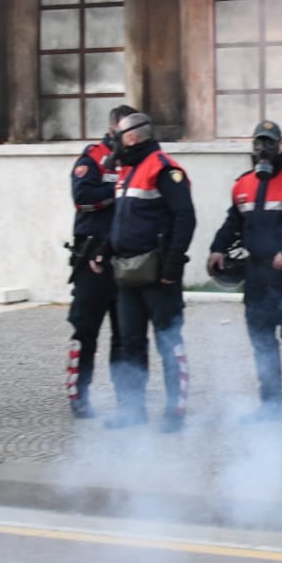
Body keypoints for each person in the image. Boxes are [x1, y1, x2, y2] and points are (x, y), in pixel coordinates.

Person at [209, 119, 282, 420]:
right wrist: (217, 248)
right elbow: (232, 222)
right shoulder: (243, 183)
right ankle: (271, 405)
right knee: (262, 342)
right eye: (258, 143)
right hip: (257, 276)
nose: (263, 149)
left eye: (269, 143)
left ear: (281, 146)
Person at [92, 112, 196, 432]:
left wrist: (172, 265)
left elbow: (185, 218)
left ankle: (175, 411)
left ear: (133, 137)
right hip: (127, 273)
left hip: (157, 273)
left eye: (118, 135)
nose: (114, 141)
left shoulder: (164, 168)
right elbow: (122, 222)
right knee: (130, 343)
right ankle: (132, 410)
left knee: (168, 342)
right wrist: (103, 251)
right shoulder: (128, 171)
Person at [64, 104, 135, 419]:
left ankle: (126, 402)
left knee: (125, 335)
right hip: (90, 258)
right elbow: (83, 197)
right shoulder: (92, 157)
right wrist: (119, 191)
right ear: (111, 130)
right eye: (124, 130)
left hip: (126, 260)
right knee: (85, 331)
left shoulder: (139, 161)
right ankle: (79, 396)